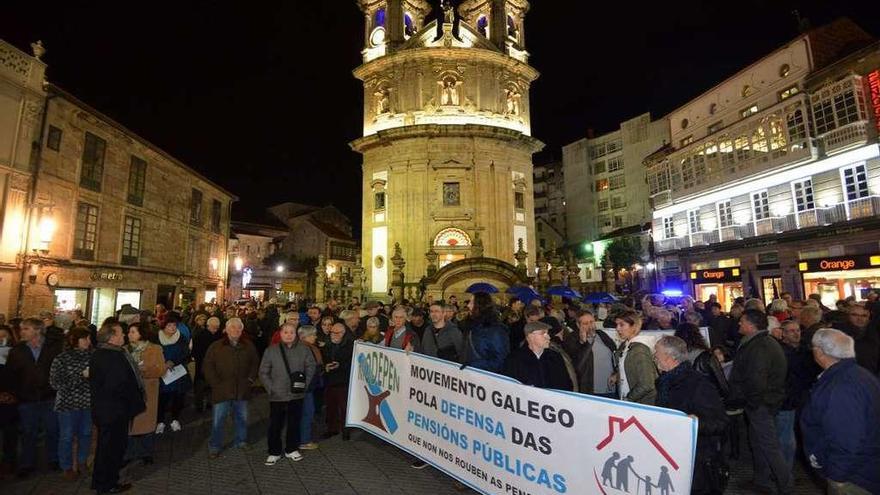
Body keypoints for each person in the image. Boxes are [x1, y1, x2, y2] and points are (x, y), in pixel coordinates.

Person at [800, 329, 880, 494]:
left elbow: (845, 438)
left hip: (855, 478)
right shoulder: (860, 375)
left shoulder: (840, 386)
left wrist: (837, 476)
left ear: (820, 352)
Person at [653, 336, 729, 494]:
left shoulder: (698, 385)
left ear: (669, 357)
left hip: (696, 461)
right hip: (672, 454)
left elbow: (720, 422)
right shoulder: (665, 382)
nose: (654, 357)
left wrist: (695, 423)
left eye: (657, 353)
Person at [727, 309, 791, 494]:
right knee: (758, 443)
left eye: (742, 322)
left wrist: (752, 403)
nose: (739, 324)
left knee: (769, 446)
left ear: (751, 325)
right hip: (761, 402)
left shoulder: (759, 346)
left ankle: (785, 485)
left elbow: (756, 380)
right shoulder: (759, 342)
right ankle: (762, 481)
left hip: (760, 403)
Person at [89, 322, 145, 494]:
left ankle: (101, 481)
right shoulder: (111, 356)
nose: (124, 336)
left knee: (106, 448)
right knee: (111, 449)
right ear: (112, 337)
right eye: (121, 333)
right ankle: (107, 484)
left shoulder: (103, 353)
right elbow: (118, 385)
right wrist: (133, 398)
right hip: (114, 411)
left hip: (108, 410)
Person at [6, 317, 62, 477]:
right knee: (28, 432)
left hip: (49, 397)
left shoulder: (53, 348)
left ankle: (53, 459)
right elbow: (11, 375)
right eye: (22, 329)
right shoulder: (17, 351)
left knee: (53, 430)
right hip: (27, 399)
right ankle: (27, 464)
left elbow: (58, 371)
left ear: (37, 330)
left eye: (26, 329)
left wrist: (55, 389)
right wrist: (16, 394)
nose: (21, 332)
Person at [259, 322, 316, 465]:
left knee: (294, 423)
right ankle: (274, 452)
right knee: (275, 425)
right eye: (286, 332)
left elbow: (311, 367)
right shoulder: (271, 350)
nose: (289, 335)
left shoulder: (304, 349)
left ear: (296, 334)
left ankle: (291, 449)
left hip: (296, 394)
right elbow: (263, 372)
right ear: (280, 334)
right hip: (277, 395)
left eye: (291, 332)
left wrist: (304, 385)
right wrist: (271, 388)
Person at [203, 317, 260, 458]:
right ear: (226, 330)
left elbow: (255, 363)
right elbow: (208, 366)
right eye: (233, 328)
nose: (236, 330)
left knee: (242, 418)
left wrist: (251, 379)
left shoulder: (248, 345)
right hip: (222, 389)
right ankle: (215, 445)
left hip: (242, 389)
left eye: (239, 328)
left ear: (242, 330)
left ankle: (241, 440)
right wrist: (215, 383)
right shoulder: (216, 346)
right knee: (218, 419)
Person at [49, 326, 93, 480]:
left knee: (86, 434)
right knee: (67, 436)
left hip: (88, 403)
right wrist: (81, 376)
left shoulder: (92, 356)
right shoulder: (61, 358)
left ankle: (82, 462)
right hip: (67, 404)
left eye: (89, 338)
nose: (88, 341)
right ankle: (66, 466)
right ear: (74, 340)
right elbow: (55, 383)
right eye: (85, 338)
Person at [124, 322, 164, 465]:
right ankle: (128, 454)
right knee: (131, 424)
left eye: (133, 332)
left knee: (146, 424)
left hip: (149, 391)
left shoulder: (155, 349)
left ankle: (146, 453)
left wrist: (142, 369)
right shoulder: (124, 350)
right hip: (130, 392)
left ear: (142, 333)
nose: (129, 334)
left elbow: (160, 370)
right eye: (129, 332)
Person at [562, 310, 617, 397]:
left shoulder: (602, 334)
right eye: (585, 323)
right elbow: (576, 363)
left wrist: (616, 373)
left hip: (610, 388)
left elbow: (615, 354)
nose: (590, 325)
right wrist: (582, 343)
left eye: (591, 322)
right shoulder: (572, 339)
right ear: (578, 325)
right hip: (589, 390)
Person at [504, 321, 573, 390]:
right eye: (543, 333)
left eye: (547, 333)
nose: (548, 337)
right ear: (530, 336)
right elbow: (509, 387)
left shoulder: (555, 357)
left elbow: (566, 384)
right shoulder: (515, 359)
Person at [611, 310, 657, 405]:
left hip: (641, 404)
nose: (617, 329)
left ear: (634, 326)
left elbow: (647, 384)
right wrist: (618, 374)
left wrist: (628, 399)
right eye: (616, 325)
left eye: (622, 325)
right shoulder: (627, 345)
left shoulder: (639, 350)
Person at [156, 318, 191, 434]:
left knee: (178, 397)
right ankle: (160, 421)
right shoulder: (157, 338)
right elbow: (154, 354)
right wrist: (164, 363)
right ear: (163, 327)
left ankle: (175, 419)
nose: (172, 328)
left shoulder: (181, 338)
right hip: (163, 372)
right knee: (162, 398)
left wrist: (174, 361)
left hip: (178, 372)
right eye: (169, 325)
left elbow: (186, 353)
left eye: (174, 326)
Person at [322, 322, 354, 440]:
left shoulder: (350, 346)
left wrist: (340, 365)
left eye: (336, 333)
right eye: (332, 332)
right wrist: (327, 366)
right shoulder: (327, 345)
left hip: (343, 381)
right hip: (330, 380)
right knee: (331, 407)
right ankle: (332, 429)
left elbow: (352, 362)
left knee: (344, 407)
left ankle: (345, 431)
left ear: (343, 333)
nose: (333, 335)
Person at [463, 292, 509, 373]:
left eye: (471, 302)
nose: (468, 305)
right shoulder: (472, 325)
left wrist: (473, 365)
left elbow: (501, 361)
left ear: (480, 306)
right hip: (470, 376)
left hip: (486, 378)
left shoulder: (496, 330)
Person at [297, 325, 323, 450]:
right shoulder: (305, 349)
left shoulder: (304, 347)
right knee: (307, 413)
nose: (315, 337)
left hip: (306, 386)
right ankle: (304, 441)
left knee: (306, 412)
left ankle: (302, 439)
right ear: (304, 337)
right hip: (306, 387)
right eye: (312, 335)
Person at [192, 316, 223, 412]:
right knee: (201, 386)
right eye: (214, 327)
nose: (215, 330)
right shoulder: (200, 336)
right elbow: (196, 352)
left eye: (217, 328)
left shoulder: (218, 336)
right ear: (208, 326)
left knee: (210, 385)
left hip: (210, 365)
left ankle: (208, 403)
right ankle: (200, 405)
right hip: (203, 364)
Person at [841, 304, 880, 374]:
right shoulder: (839, 335)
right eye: (854, 315)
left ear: (869, 318)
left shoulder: (875, 334)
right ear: (848, 316)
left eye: (864, 316)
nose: (859, 319)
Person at [0, 325, 17, 478]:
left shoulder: (16, 353)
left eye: (4, 337)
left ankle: (9, 461)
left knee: (9, 432)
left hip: (10, 398)